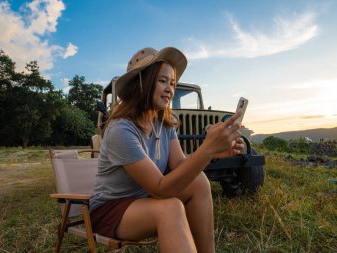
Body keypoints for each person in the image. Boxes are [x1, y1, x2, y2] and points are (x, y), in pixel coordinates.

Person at [89, 47, 244, 253]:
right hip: (111, 209)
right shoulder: (121, 129)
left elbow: (180, 165)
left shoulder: (164, 123)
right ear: (141, 83)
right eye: (162, 81)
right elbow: (160, 188)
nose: (170, 89)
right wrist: (206, 150)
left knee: (198, 182)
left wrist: (213, 154)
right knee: (170, 208)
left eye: (172, 83)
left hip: (144, 199)